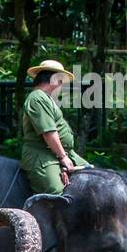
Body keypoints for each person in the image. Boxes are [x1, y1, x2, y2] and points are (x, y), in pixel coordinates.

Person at [19, 59, 89, 194]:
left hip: (59, 153)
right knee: (57, 194)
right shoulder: (37, 98)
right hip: (41, 156)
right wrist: (63, 157)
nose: (62, 85)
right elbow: (48, 132)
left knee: (94, 175)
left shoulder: (46, 98)